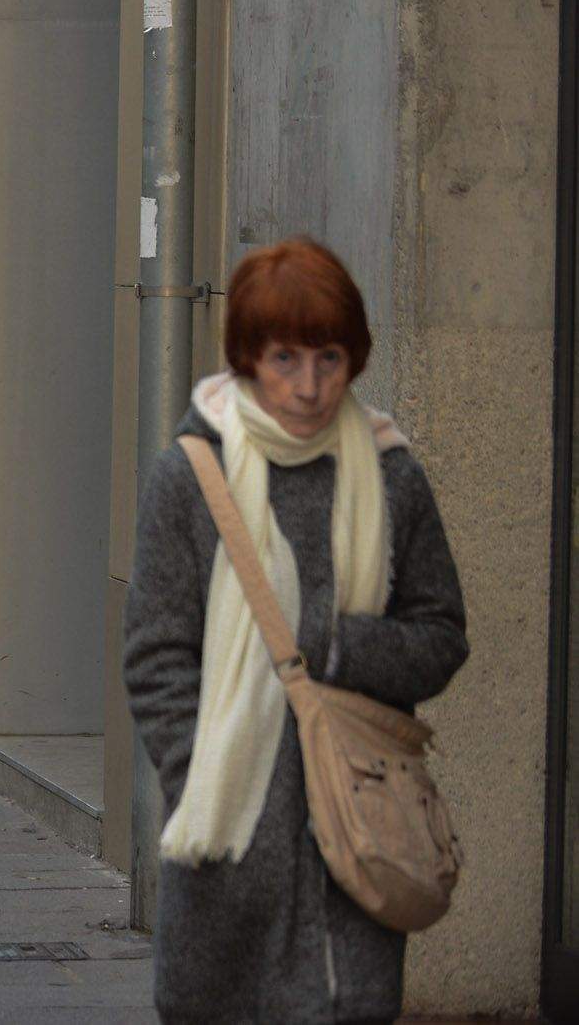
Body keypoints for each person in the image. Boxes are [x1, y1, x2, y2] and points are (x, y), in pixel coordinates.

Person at [123, 237, 468, 1024]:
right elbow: (154, 656)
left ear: (356, 359)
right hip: (229, 844)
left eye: (329, 359)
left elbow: (442, 634)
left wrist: (335, 645)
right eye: (285, 359)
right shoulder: (192, 476)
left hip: (358, 828)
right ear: (246, 357)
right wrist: (202, 771)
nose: (309, 387)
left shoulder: (390, 476)